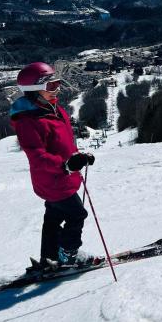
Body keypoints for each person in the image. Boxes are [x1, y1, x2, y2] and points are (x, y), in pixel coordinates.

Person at [10, 62, 96, 270]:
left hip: (60, 176)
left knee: (54, 217)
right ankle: (68, 254)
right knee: (77, 215)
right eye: (51, 86)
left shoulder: (54, 110)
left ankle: (49, 257)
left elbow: (64, 144)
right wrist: (65, 165)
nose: (57, 89)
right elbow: (37, 155)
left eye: (57, 83)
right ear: (33, 91)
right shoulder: (29, 121)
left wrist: (78, 157)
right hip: (53, 178)